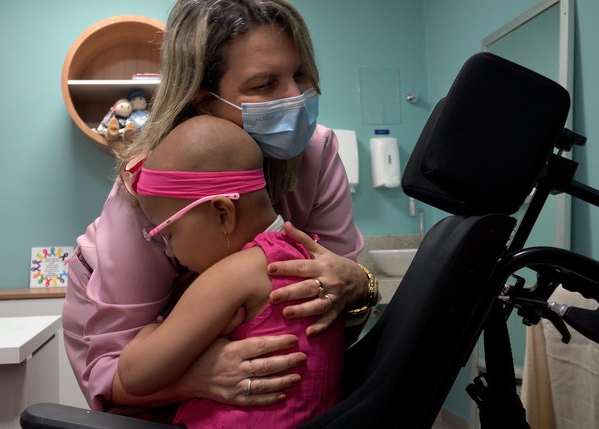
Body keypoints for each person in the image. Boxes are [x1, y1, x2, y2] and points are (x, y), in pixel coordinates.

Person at [63, 0, 377, 418]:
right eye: (264, 85)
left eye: (300, 74)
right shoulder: (150, 187)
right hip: (127, 341)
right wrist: (196, 375)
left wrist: (360, 286)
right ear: (203, 100)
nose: (296, 97)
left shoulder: (316, 153)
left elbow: (337, 303)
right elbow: (115, 370)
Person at [119, 115, 345, 427]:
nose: (169, 252)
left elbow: (133, 375)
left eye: (168, 235)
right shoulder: (308, 256)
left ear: (223, 213)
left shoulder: (234, 274)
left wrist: (150, 333)